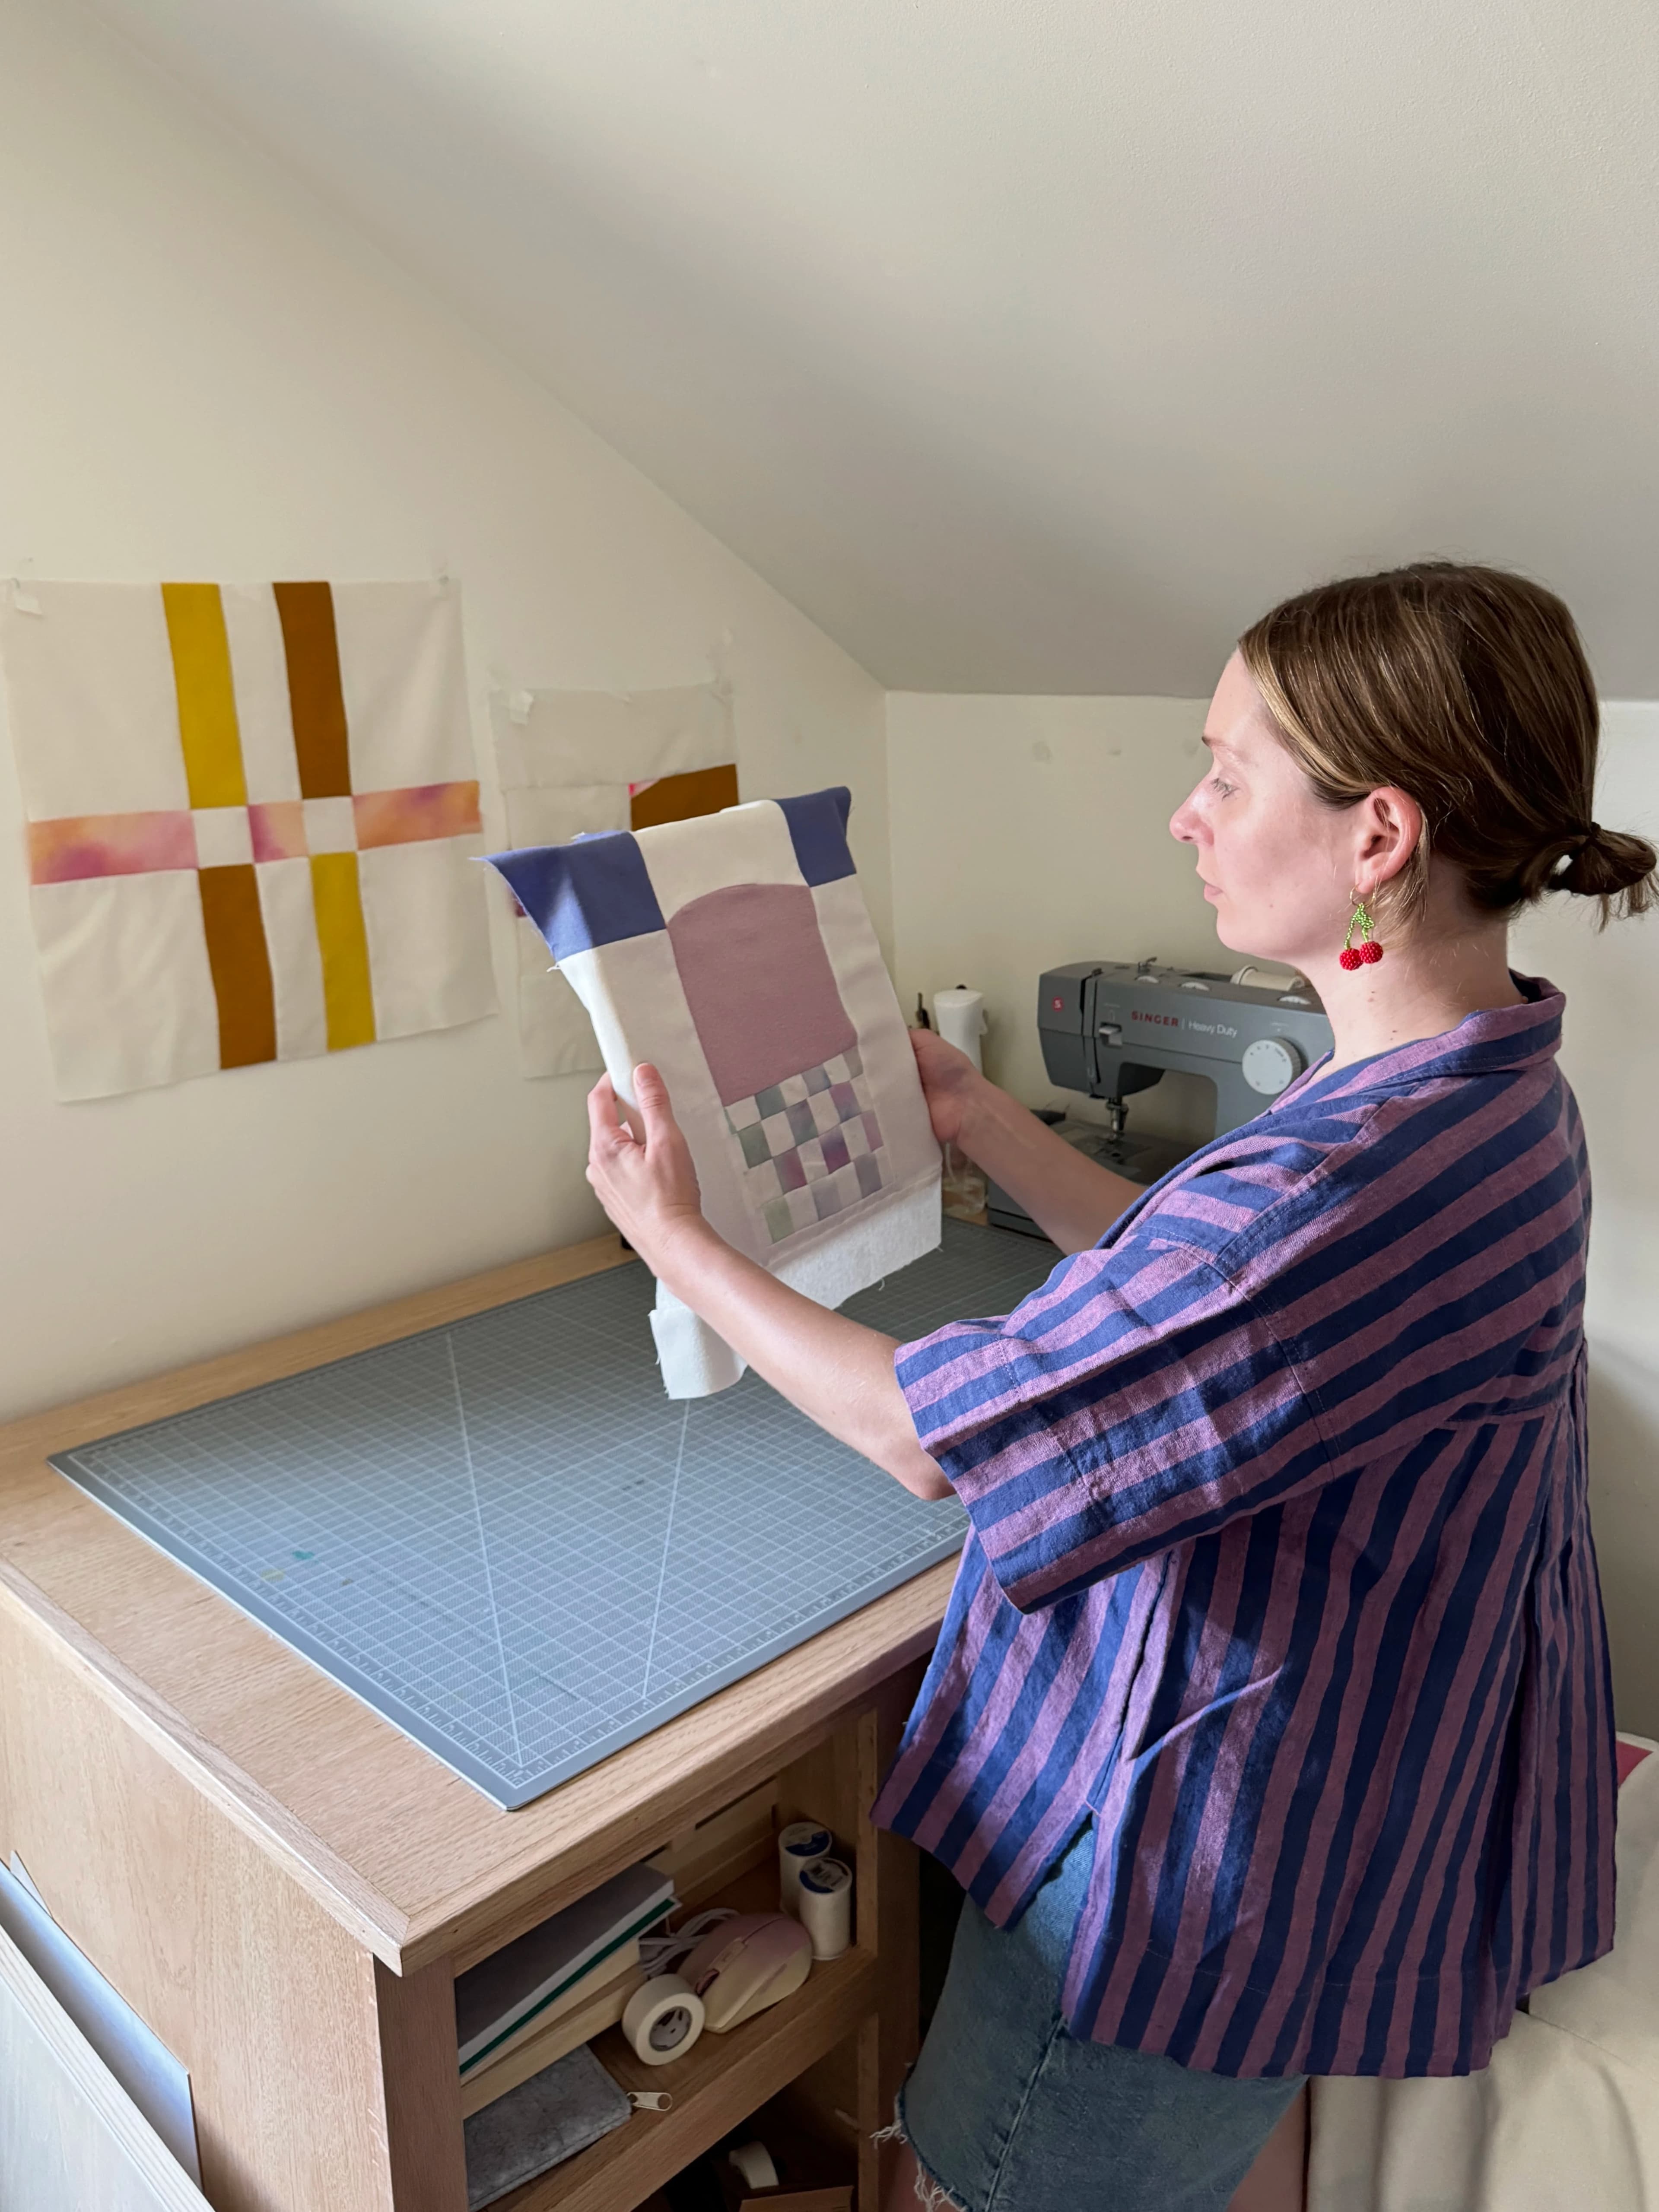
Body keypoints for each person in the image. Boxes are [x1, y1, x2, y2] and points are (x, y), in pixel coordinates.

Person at [583, 563, 1655, 2212]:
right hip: (1355, 1814)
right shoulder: (1495, 1083)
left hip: (1202, 1875)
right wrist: (989, 1123)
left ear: (1378, 838)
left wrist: (675, 1239)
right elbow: (1226, 1313)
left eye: (1228, 775)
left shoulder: (1338, 1182)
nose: (1186, 816)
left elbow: (926, 1436)